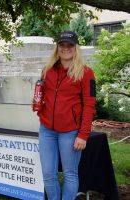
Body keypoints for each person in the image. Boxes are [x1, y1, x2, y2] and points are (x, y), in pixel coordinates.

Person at [37, 31, 96, 200]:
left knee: (70, 174)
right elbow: (42, 96)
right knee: (48, 174)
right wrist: (41, 110)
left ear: (76, 48)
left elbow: (90, 105)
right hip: (47, 130)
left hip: (70, 132)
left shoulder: (86, 73)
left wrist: (83, 135)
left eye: (70, 45)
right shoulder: (47, 70)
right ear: (57, 48)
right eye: (62, 45)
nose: (65, 48)